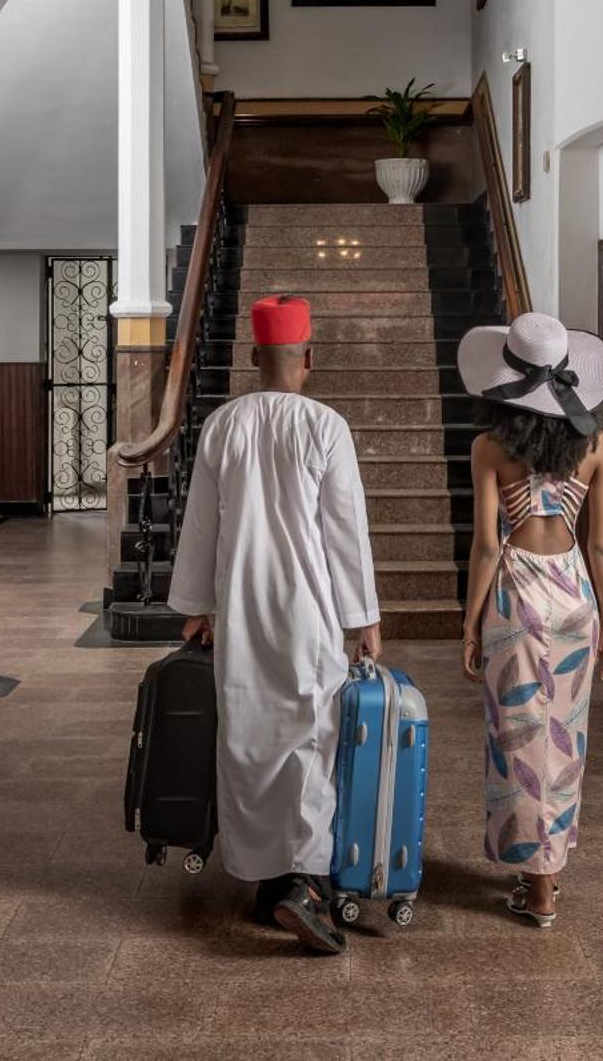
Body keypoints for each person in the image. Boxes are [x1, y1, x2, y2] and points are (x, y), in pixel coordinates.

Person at [168, 292, 381, 954]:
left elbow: (200, 524)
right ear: (307, 359)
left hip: (239, 605)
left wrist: (197, 605)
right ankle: (302, 886)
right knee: (310, 737)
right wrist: (361, 617)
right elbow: (343, 530)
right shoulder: (325, 426)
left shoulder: (222, 425)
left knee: (246, 740)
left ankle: (265, 880)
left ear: (252, 357)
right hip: (307, 610)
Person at [458, 310, 603, 927]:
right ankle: (548, 872)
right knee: (564, 737)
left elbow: (486, 546)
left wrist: (470, 623)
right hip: (574, 591)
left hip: (517, 594)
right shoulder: (596, 446)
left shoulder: (489, 450)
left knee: (518, 735)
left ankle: (538, 883)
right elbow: (601, 546)